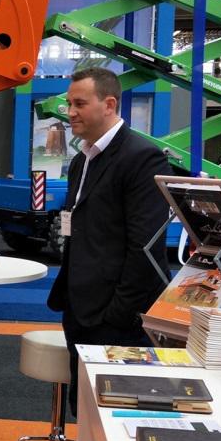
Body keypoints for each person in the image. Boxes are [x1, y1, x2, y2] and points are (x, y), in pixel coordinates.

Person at [46, 67, 169, 421]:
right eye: (69, 104)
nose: (70, 112)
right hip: (80, 310)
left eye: (79, 104)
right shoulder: (81, 160)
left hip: (115, 319)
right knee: (85, 411)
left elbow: (145, 248)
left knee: (116, 417)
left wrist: (117, 314)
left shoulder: (141, 157)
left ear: (109, 104)